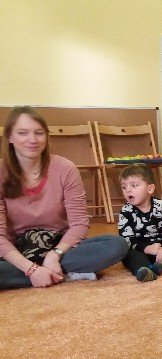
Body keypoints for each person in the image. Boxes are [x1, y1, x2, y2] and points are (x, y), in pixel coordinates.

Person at [0, 106, 128, 290]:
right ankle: (60, 274)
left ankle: (48, 271)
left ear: (46, 136)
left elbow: (79, 224)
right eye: (22, 133)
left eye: (39, 133)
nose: (32, 140)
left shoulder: (65, 168)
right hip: (16, 252)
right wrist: (30, 269)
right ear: (10, 137)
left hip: (59, 246)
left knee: (117, 244)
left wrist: (54, 255)